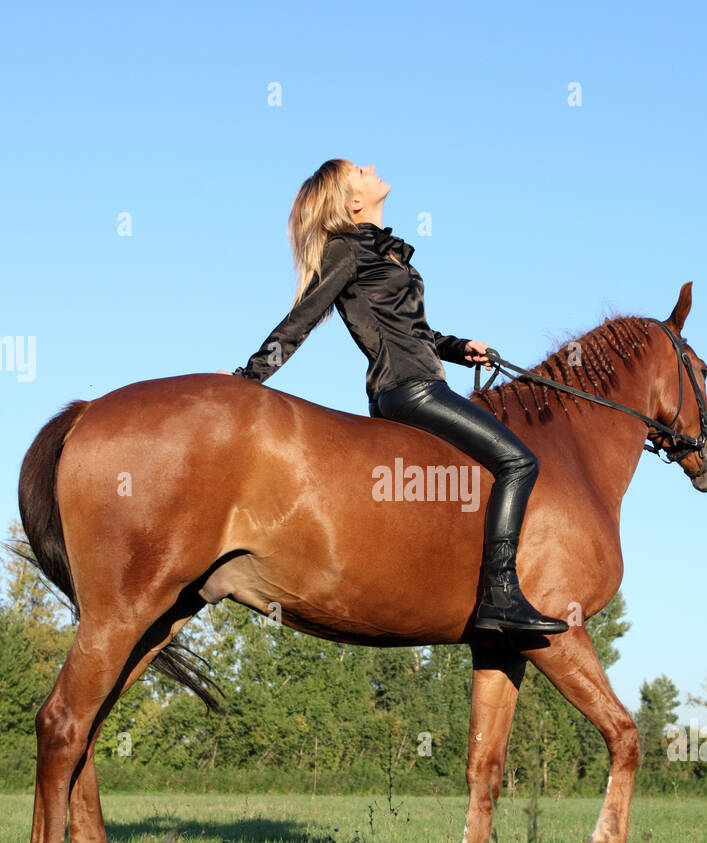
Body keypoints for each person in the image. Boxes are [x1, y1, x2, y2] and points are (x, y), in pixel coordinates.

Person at [222, 159, 567, 636]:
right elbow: (301, 320)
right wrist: (248, 377)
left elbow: (414, 332)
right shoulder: (346, 249)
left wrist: (459, 349)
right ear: (354, 202)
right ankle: (502, 596)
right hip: (410, 392)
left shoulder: (383, 252)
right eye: (359, 171)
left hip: (421, 383)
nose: (372, 167)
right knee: (520, 463)